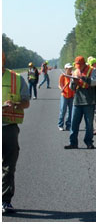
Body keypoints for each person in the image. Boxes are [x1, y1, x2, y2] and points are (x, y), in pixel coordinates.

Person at [2, 51, 30, 213]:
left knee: (8, 165)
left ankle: (5, 200)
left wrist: (16, 104)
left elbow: (26, 103)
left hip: (8, 127)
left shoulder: (16, 79)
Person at [64, 56, 96, 149]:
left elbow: (95, 82)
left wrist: (84, 78)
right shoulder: (75, 72)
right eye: (77, 65)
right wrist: (74, 82)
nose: (78, 67)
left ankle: (89, 142)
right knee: (74, 123)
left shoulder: (92, 70)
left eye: (79, 65)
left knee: (89, 124)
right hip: (77, 101)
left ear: (84, 64)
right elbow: (71, 87)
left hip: (89, 101)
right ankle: (73, 143)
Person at [58, 63, 75, 131]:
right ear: (66, 69)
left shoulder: (72, 76)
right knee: (63, 110)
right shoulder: (63, 76)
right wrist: (61, 88)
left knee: (70, 111)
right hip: (64, 95)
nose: (70, 69)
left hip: (71, 95)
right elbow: (60, 85)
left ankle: (68, 125)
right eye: (69, 68)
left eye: (71, 68)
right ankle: (60, 125)